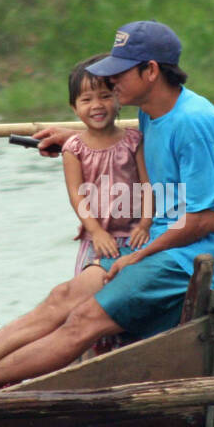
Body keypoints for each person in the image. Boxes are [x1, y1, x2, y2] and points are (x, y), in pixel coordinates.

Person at [0, 21, 214, 393]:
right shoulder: (152, 111)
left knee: (84, 318)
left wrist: (138, 257)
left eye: (120, 73)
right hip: (160, 248)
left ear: (151, 71)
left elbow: (204, 220)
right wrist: (76, 139)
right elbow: (121, 140)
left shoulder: (193, 123)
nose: (113, 84)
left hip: (187, 257)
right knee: (64, 296)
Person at [62, 53, 153, 276]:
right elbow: (76, 195)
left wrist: (145, 224)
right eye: (86, 100)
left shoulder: (134, 141)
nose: (96, 106)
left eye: (104, 96)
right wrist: (95, 231)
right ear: (74, 107)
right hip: (96, 238)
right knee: (86, 292)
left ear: (117, 98)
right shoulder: (73, 148)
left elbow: (147, 186)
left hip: (134, 235)